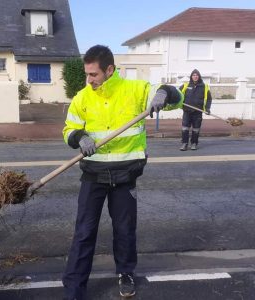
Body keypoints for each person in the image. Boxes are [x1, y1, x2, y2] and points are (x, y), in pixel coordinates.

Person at [61, 45, 182, 299]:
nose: (89, 80)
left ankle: (126, 273)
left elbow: (176, 99)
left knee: (125, 229)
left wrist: (164, 92)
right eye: (87, 74)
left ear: (109, 70)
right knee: (84, 232)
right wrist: (79, 137)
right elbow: (68, 128)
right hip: (93, 175)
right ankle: (74, 287)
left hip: (126, 175)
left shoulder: (135, 90)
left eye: (93, 74)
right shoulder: (82, 97)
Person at [178, 69, 212, 151]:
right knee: (185, 128)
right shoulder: (185, 85)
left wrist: (207, 108)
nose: (195, 76)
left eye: (197, 75)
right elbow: (178, 95)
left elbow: (209, 99)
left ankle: (194, 143)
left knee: (196, 129)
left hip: (198, 112)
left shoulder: (204, 87)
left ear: (199, 76)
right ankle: (184, 143)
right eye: (193, 75)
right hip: (187, 111)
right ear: (191, 76)